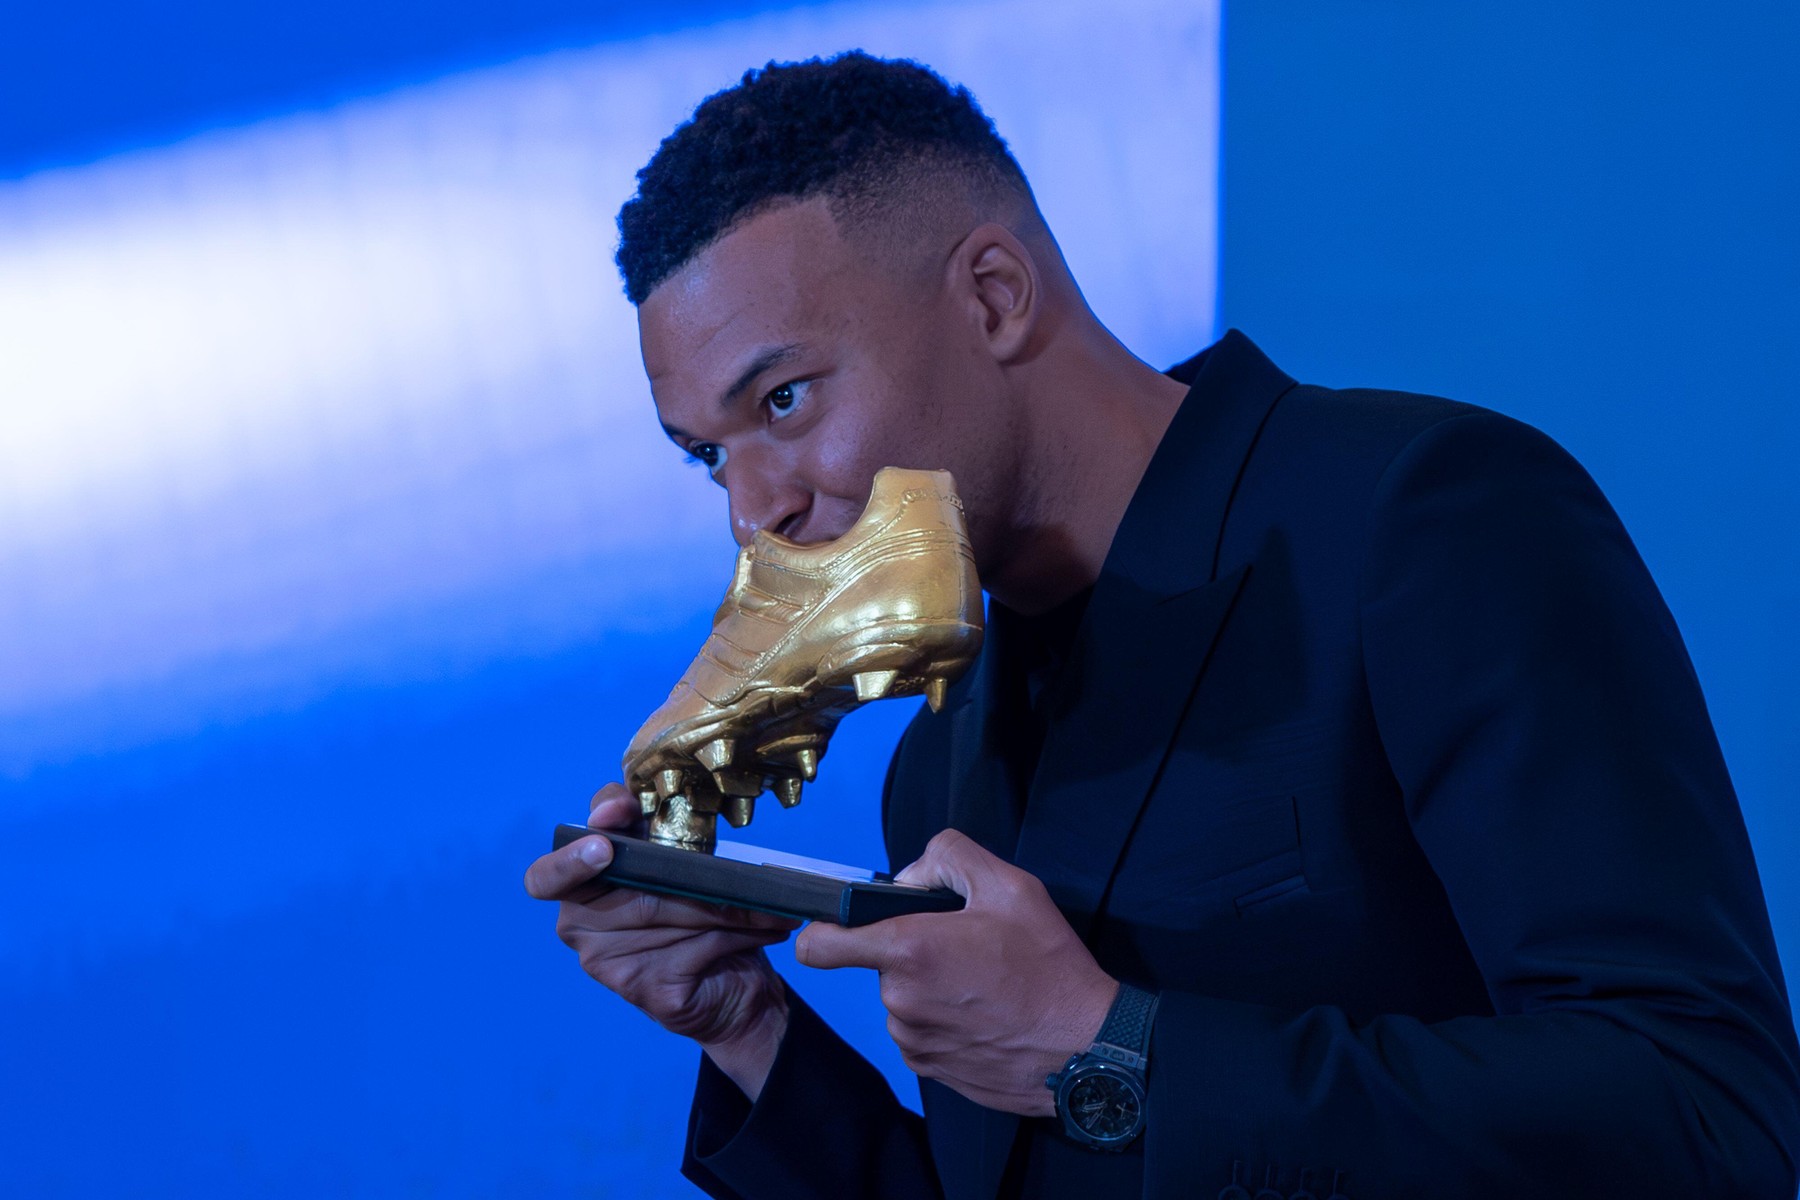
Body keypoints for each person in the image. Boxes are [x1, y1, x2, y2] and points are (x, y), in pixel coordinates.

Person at [523, 52, 1800, 1198]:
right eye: (708, 455)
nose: (756, 508)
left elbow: (1712, 1118)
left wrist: (1109, 1048)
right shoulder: (938, 762)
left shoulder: (1422, 516)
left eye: (786, 398)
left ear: (994, 294)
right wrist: (747, 1028)